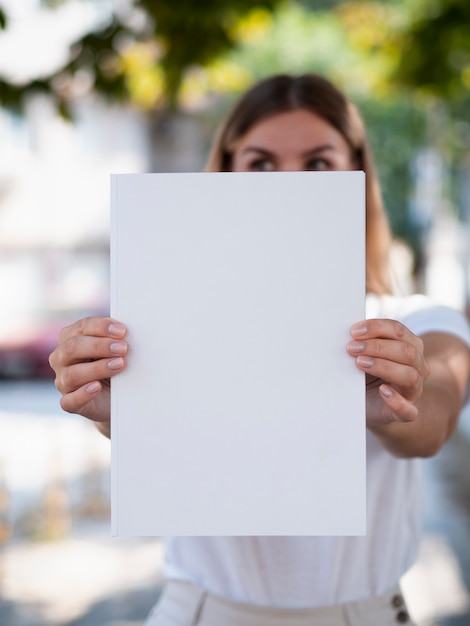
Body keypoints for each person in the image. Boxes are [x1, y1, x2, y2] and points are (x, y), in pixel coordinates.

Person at [49, 74, 470, 626]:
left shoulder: (416, 318)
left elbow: (434, 418)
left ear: (358, 177)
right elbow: (172, 441)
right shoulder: (167, 319)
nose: (287, 184)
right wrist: (116, 409)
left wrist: (398, 401)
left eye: (318, 163)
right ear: (225, 174)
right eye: (262, 163)